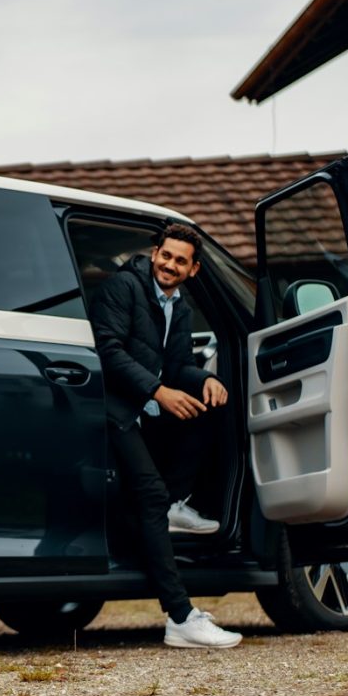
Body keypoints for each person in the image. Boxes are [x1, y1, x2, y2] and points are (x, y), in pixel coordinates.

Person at [90, 224, 243, 649]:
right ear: (154, 252)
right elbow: (108, 350)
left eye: (180, 261)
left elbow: (177, 366)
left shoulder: (181, 307)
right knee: (150, 497)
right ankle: (180, 618)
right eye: (166, 255)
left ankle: (177, 501)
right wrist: (158, 391)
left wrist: (204, 381)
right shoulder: (125, 287)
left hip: (145, 410)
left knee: (213, 408)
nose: (170, 265)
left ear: (193, 270)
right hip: (112, 410)